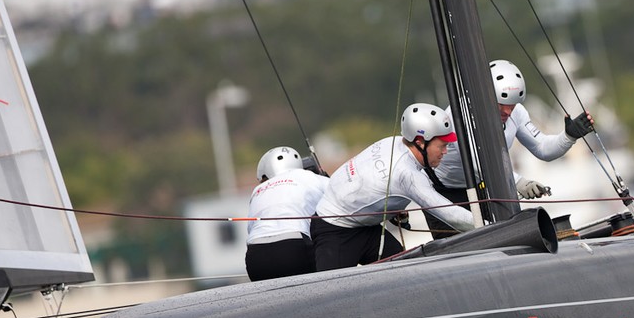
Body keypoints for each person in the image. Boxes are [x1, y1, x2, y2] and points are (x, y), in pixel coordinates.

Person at [426, 59, 595, 238]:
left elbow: (543, 148)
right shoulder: (459, 114)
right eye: (501, 105)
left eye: (512, 106)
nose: (507, 112)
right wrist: (519, 182)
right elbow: (478, 161)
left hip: (483, 187)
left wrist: (568, 136)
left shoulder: (517, 113)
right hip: (444, 192)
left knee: (505, 239)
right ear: (485, 97)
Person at [313, 103, 475, 270]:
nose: (445, 152)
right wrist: (489, 226)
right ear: (420, 142)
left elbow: (373, 182)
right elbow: (450, 214)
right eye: (442, 145)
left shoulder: (393, 142)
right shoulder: (407, 174)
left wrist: (391, 208)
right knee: (334, 290)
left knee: (406, 274)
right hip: (333, 229)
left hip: (365, 226)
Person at [245, 146, 328, 282]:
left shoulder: (257, 190)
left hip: (255, 255)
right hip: (293, 246)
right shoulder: (312, 177)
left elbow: (251, 228)